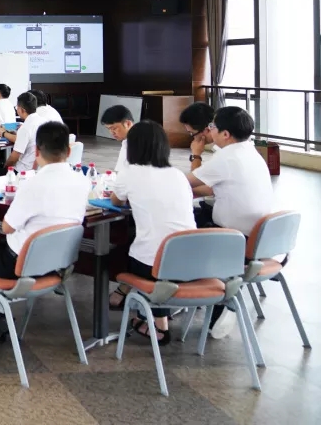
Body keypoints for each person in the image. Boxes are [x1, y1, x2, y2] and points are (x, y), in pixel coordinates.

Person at [0, 121, 89, 348]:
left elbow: (7, 227)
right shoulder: (83, 181)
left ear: (37, 151)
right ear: (69, 151)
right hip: (59, 264)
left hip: (19, 264)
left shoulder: (33, 184)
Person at [186, 106, 273, 338]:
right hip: (260, 238)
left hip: (234, 239)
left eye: (212, 126)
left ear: (226, 134)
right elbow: (209, 188)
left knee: (177, 229)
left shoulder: (227, 157)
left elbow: (189, 183)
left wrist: (196, 154)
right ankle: (217, 290)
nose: (209, 130)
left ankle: (206, 293)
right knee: (198, 213)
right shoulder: (249, 152)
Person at [108, 121, 196, 345]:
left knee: (126, 246)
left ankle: (159, 326)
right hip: (191, 262)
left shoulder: (130, 173)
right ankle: (139, 308)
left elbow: (116, 201)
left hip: (155, 265)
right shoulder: (177, 174)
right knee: (148, 240)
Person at [0, 91, 46, 176]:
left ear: (22, 110)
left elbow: (14, 158)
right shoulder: (44, 121)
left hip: (22, 171)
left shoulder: (26, 127)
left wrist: (5, 170)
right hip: (38, 170)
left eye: (17, 107)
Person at [180, 101, 217, 172]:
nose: (194, 138)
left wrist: (196, 155)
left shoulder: (222, 153)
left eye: (192, 133)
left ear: (207, 129)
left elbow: (195, 177)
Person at [100, 105, 135, 172]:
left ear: (127, 124)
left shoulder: (139, 143)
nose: (112, 133)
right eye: (109, 129)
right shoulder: (126, 142)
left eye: (114, 128)